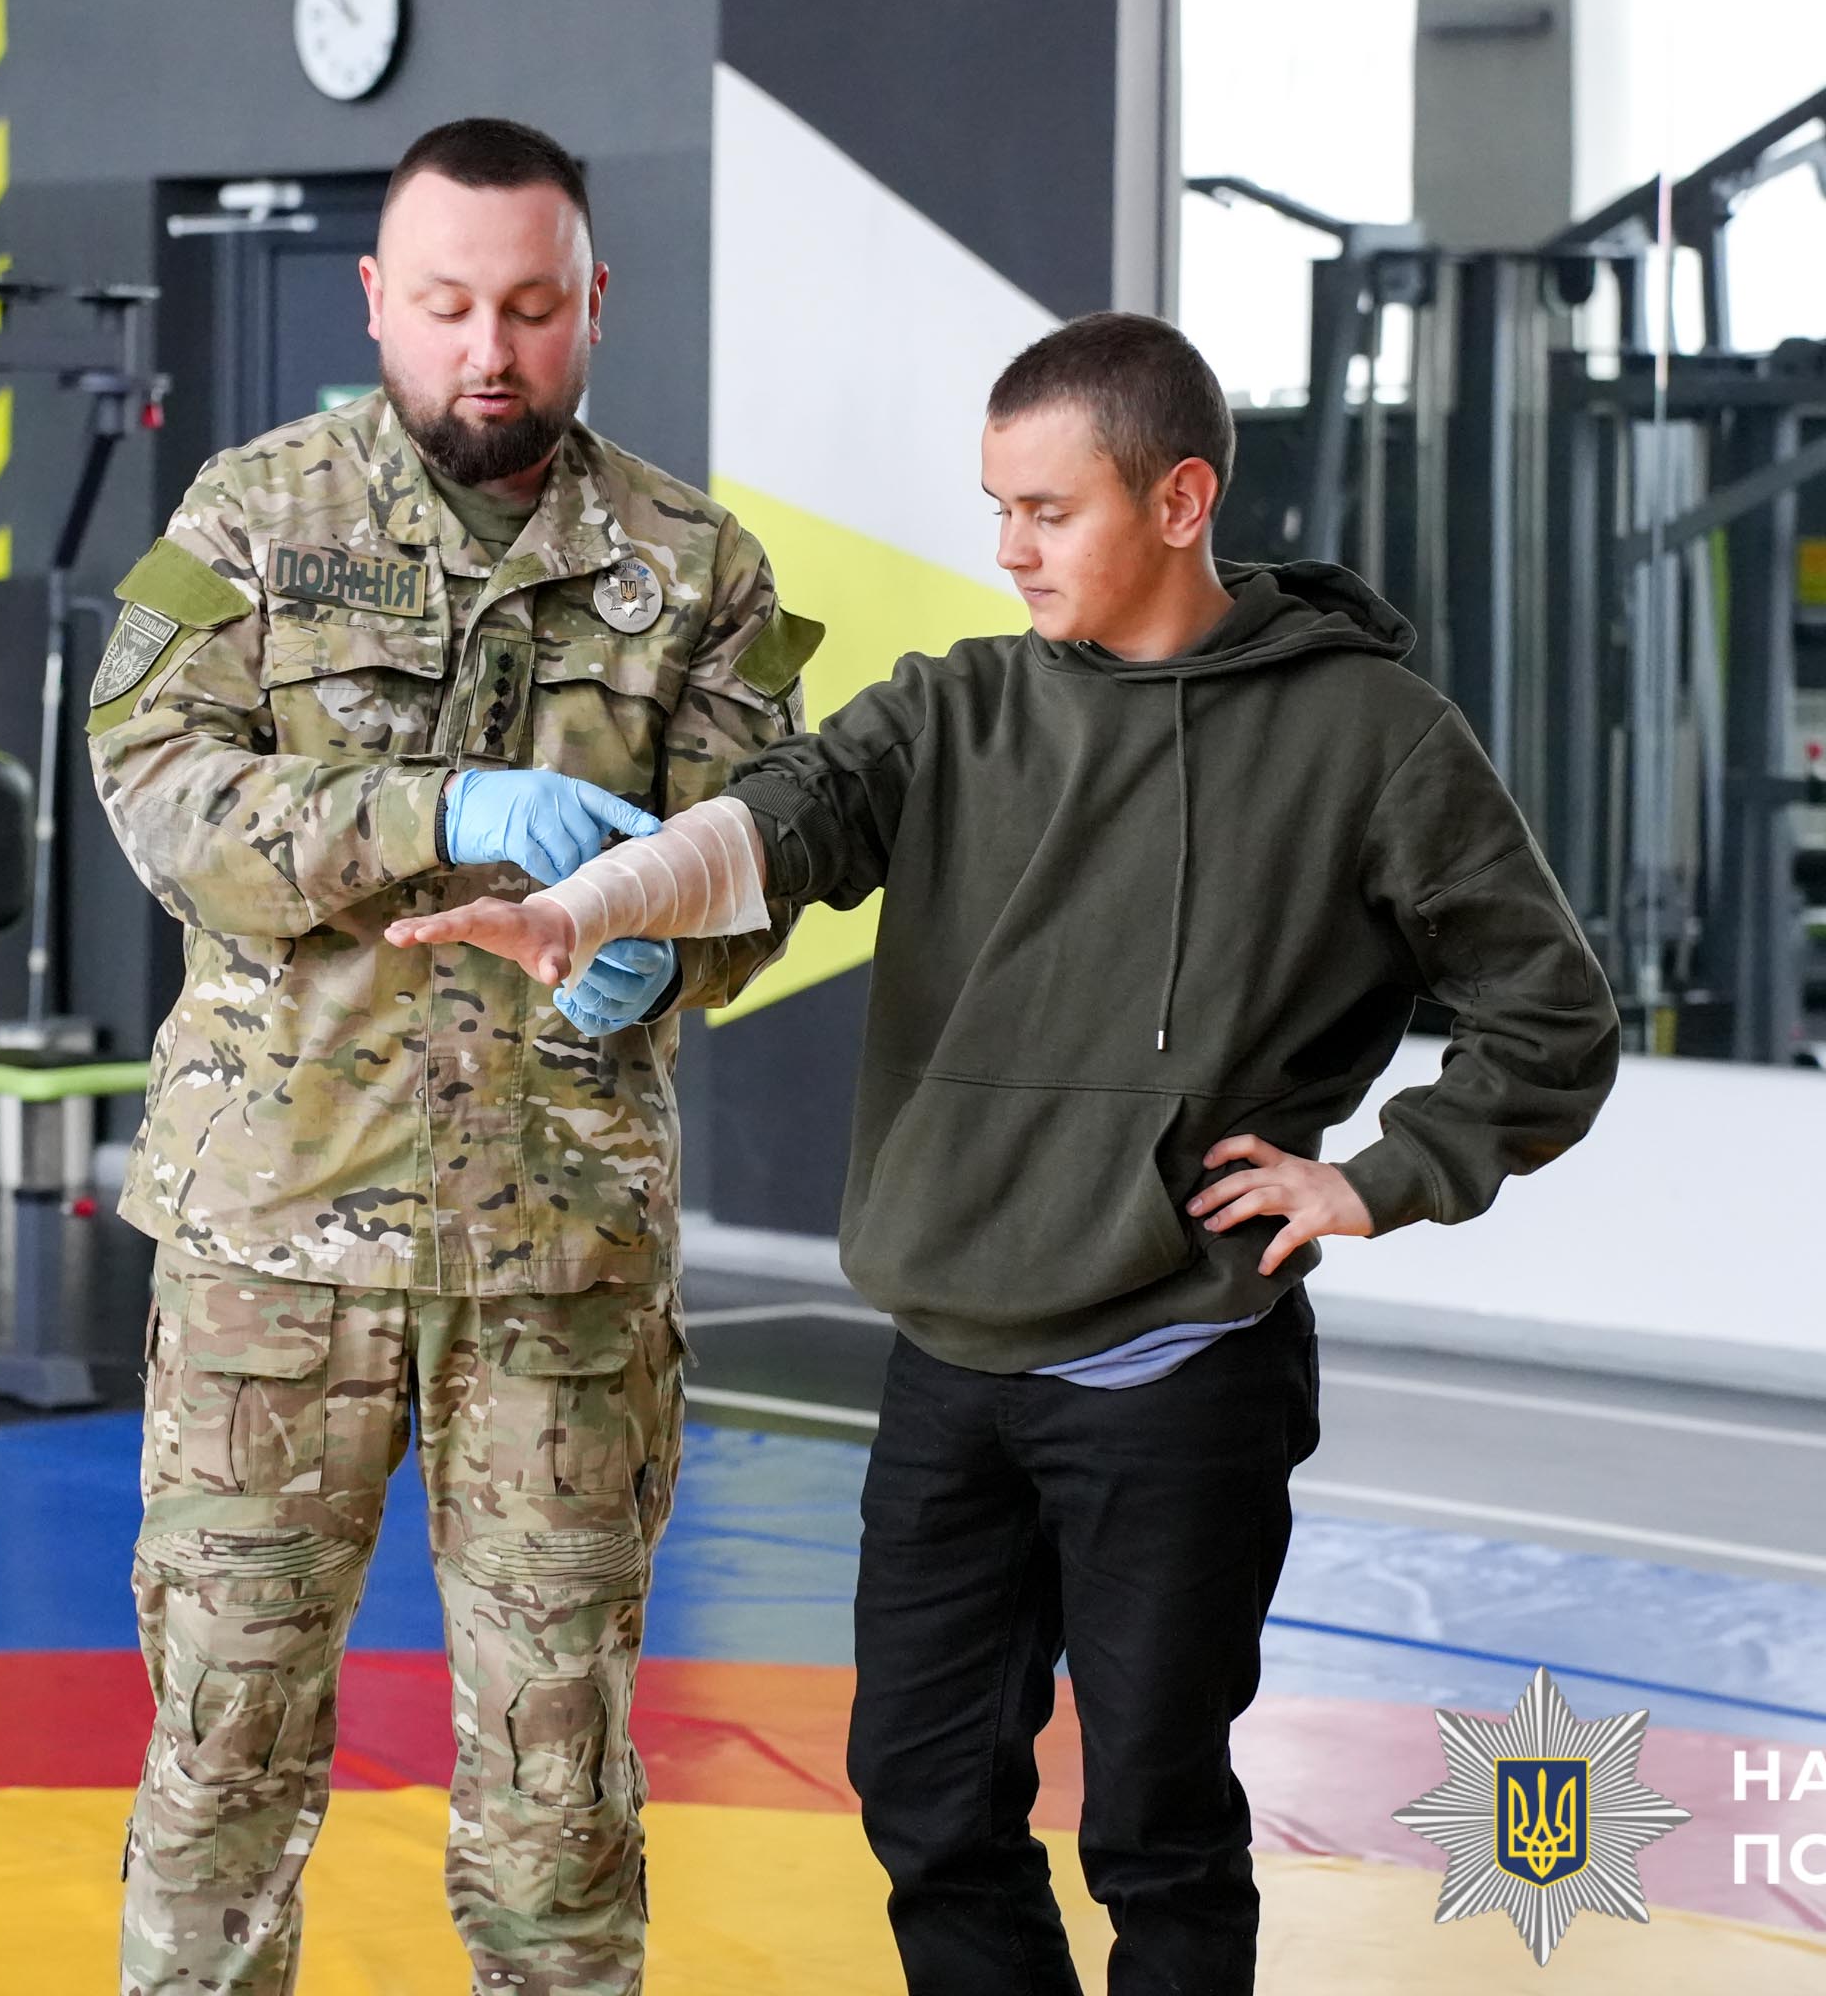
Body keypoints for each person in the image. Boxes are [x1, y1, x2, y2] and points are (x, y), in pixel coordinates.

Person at [388, 310, 1622, 1995]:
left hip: (1179, 1372)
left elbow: (1550, 1019)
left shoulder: (1371, 735)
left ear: (1180, 500)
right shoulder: (957, 706)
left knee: (1158, 1831)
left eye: (1050, 510)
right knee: (926, 1797)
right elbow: (780, 821)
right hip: (951, 1368)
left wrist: (1378, 1179)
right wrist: (588, 906)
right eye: (997, 509)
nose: (1012, 549)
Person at [87, 115, 823, 1996]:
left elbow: (760, 858)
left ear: (595, 301)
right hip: (277, 1242)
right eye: (445, 306)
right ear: (373, 299)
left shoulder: (699, 569)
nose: (488, 352)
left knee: (558, 1781)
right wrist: (436, 808)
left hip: (559, 1254)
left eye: (529, 309)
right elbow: (160, 795)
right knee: (223, 1752)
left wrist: (664, 959)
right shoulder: (250, 521)